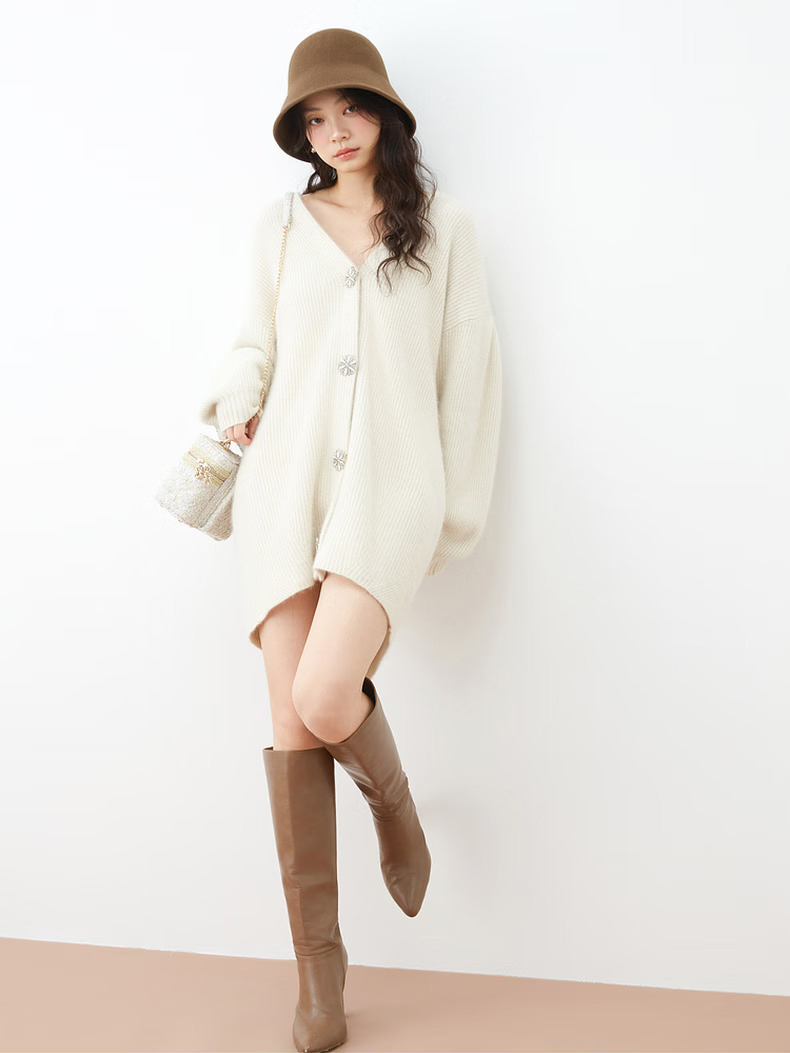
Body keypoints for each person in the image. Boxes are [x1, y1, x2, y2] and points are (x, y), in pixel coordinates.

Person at [197, 27, 503, 1053]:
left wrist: (450, 510)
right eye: (316, 119)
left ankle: (393, 802)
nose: (336, 132)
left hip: (391, 490)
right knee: (293, 724)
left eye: (351, 109)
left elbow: (469, 373)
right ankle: (320, 979)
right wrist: (237, 396)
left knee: (330, 697)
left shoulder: (444, 227)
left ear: (384, 111)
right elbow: (255, 341)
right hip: (282, 488)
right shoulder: (279, 227)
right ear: (300, 133)